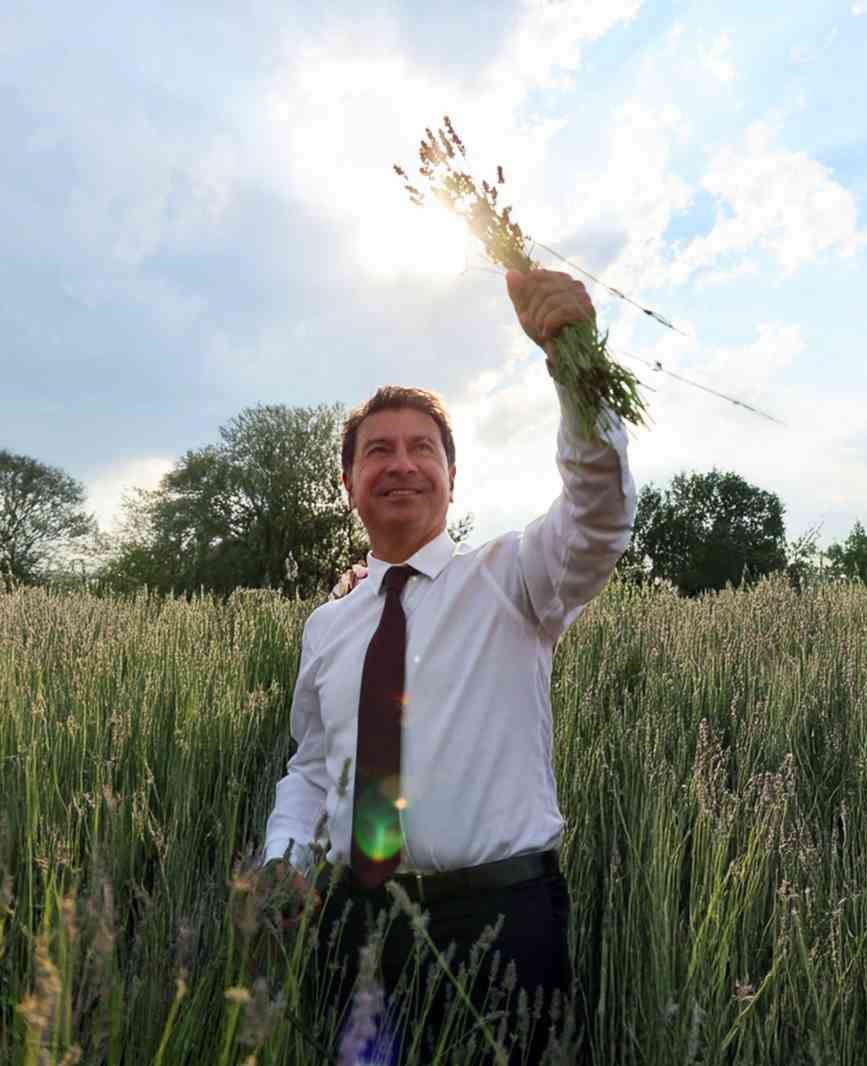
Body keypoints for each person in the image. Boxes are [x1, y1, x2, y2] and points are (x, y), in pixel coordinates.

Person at [254, 267, 636, 1064]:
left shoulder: (517, 579)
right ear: (348, 482)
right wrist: (284, 858)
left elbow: (598, 514)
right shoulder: (328, 624)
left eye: (422, 449)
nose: (401, 465)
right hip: (357, 931)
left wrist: (575, 366)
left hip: (502, 925)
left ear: (452, 478)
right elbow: (314, 765)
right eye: (378, 452)